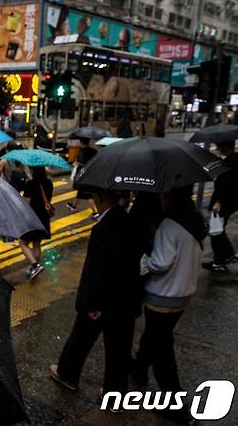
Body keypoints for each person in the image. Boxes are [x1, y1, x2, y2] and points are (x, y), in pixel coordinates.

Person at [50, 190, 143, 395]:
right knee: (119, 348)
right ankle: (115, 394)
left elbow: (95, 270)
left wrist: (88, 304)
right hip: (126, 298)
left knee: (80, 339)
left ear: (102, 198)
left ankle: (67, 375)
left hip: (102, 300)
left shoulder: (103, 227)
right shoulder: (132, 222)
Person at [132, 186, 206, 424]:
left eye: (163, 195)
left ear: (170, 197)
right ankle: (140, 369)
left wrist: (144, 261)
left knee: (162, 349)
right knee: (155, 336)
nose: (160, 200)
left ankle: (175, 405)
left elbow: (160, 263)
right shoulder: (194, 222)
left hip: (162, 295)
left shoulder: (170, 225)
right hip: (182, 296)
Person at [202, 141, 238, 272]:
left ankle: (222, 259)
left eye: (219, 147)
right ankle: (225, 257)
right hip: (231, 202)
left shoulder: (230, 163)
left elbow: (226, 185)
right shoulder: (233, 160)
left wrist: (218, 202)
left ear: (224, 147)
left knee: (215, 230)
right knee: (218, 229)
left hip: (223, 203)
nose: (218, 149)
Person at [19, 166, 53, 280]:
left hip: (32, 218)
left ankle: (35, 265)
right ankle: (34, 268)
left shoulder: (31, 184)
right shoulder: (49, 183)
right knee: (36, 244)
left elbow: (27, 203)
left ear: (33, 171)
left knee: (23, 242)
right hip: (43, 217)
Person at [67, 138, 99, 219]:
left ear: (81, 142)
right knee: (81, 191)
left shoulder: (82, 151)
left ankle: (95, 212)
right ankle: (74, 205)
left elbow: (79, 162)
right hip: (91, 173)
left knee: (87, 193)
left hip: (83, 174)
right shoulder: (93, 151)